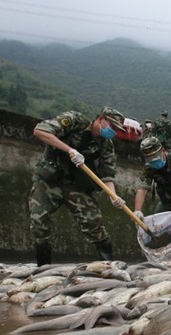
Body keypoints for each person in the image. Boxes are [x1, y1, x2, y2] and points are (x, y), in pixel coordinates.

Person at [29, 106, 127, 266]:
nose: (113, 132)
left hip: (76, 185)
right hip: (49, 180)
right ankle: (43, 267)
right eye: (113, 127)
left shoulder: (106, 144)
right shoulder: (74, 121)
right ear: (101, 119)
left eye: (117, 130)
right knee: (38, 221)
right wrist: (70, 150)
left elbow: (108, 174)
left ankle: (110, 265)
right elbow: (40, 131)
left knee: (94, 224)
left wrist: (113, 196)